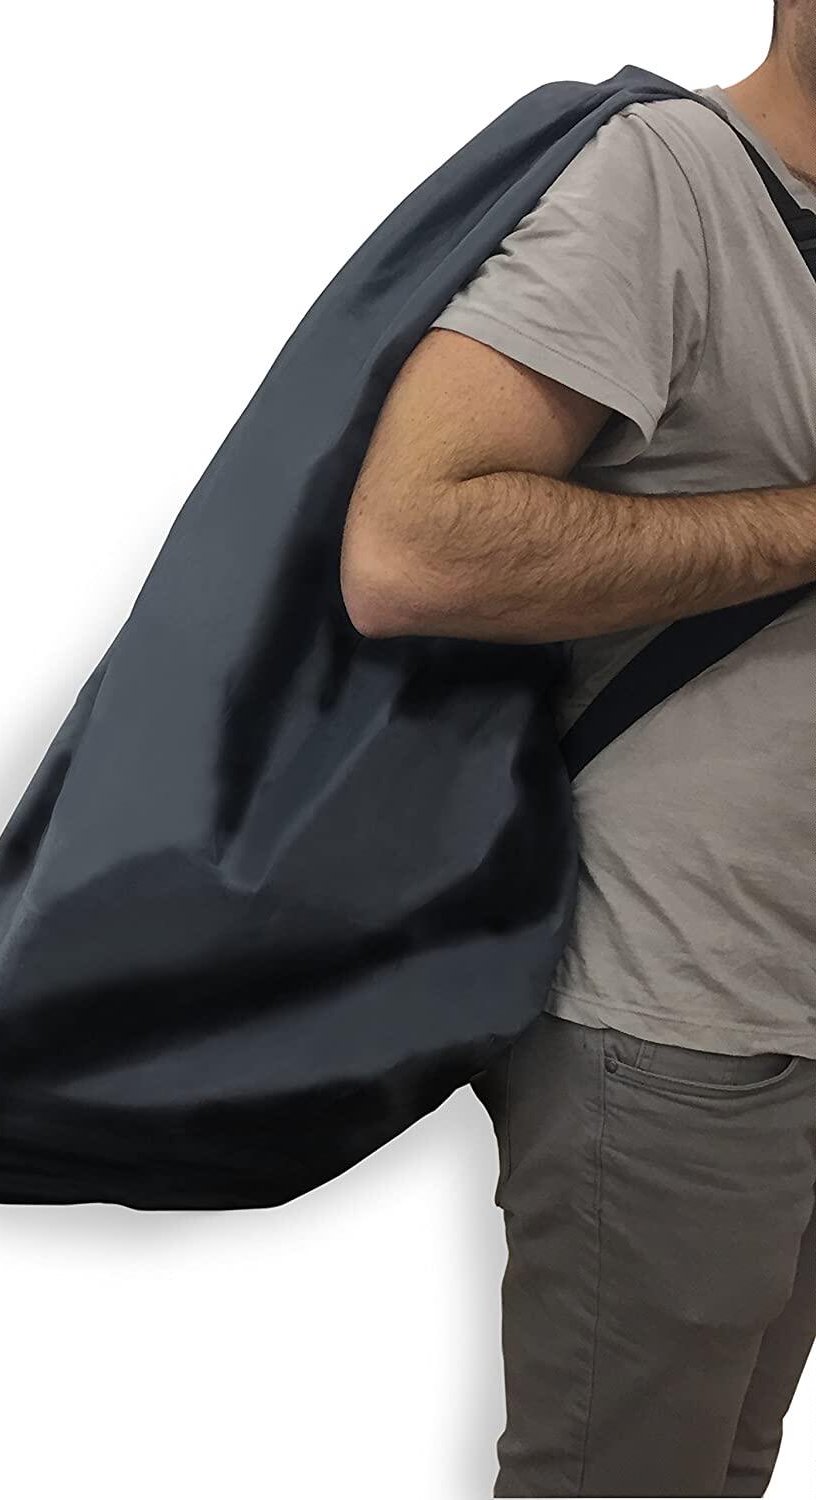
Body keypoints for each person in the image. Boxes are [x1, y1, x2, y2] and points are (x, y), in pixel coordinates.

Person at [339, 3, 816, 1495]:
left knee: (728, 1462)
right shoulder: (665, 179)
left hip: (792, 989)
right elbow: (413, 548)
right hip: (681, 1012)